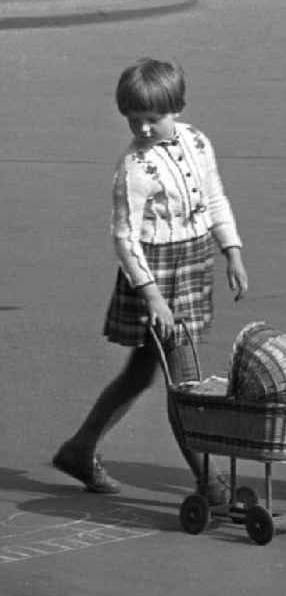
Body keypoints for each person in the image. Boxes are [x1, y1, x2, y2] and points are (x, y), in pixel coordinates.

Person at [52, 58, 248, 504]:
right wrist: (153, 297)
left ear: (176, 108)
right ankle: (211, 484)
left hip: (193, 262)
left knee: (141, 371)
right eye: (133, 119)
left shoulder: (198, 142)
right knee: (184, 383)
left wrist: (231, 250)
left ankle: (80, 449)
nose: (141, 129)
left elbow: (214, 197)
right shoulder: (133, 168)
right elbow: (124, 238)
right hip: (154, 276)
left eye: (152, 119)